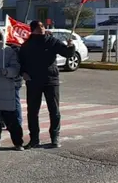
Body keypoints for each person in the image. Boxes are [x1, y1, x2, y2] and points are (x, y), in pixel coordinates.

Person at [18, 20, 76, 148]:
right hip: (33, 81)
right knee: (33, 111)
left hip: (51, 80)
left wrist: (71, 46)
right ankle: (34, 139)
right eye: (38, 27)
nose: (42, 29)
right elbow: (21, 61)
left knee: (54, 110)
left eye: (42, 26)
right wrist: (23, 73)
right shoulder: (27, 45)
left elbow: (67, 53)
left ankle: (55, 137)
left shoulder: (52, 41)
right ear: (32, 30)